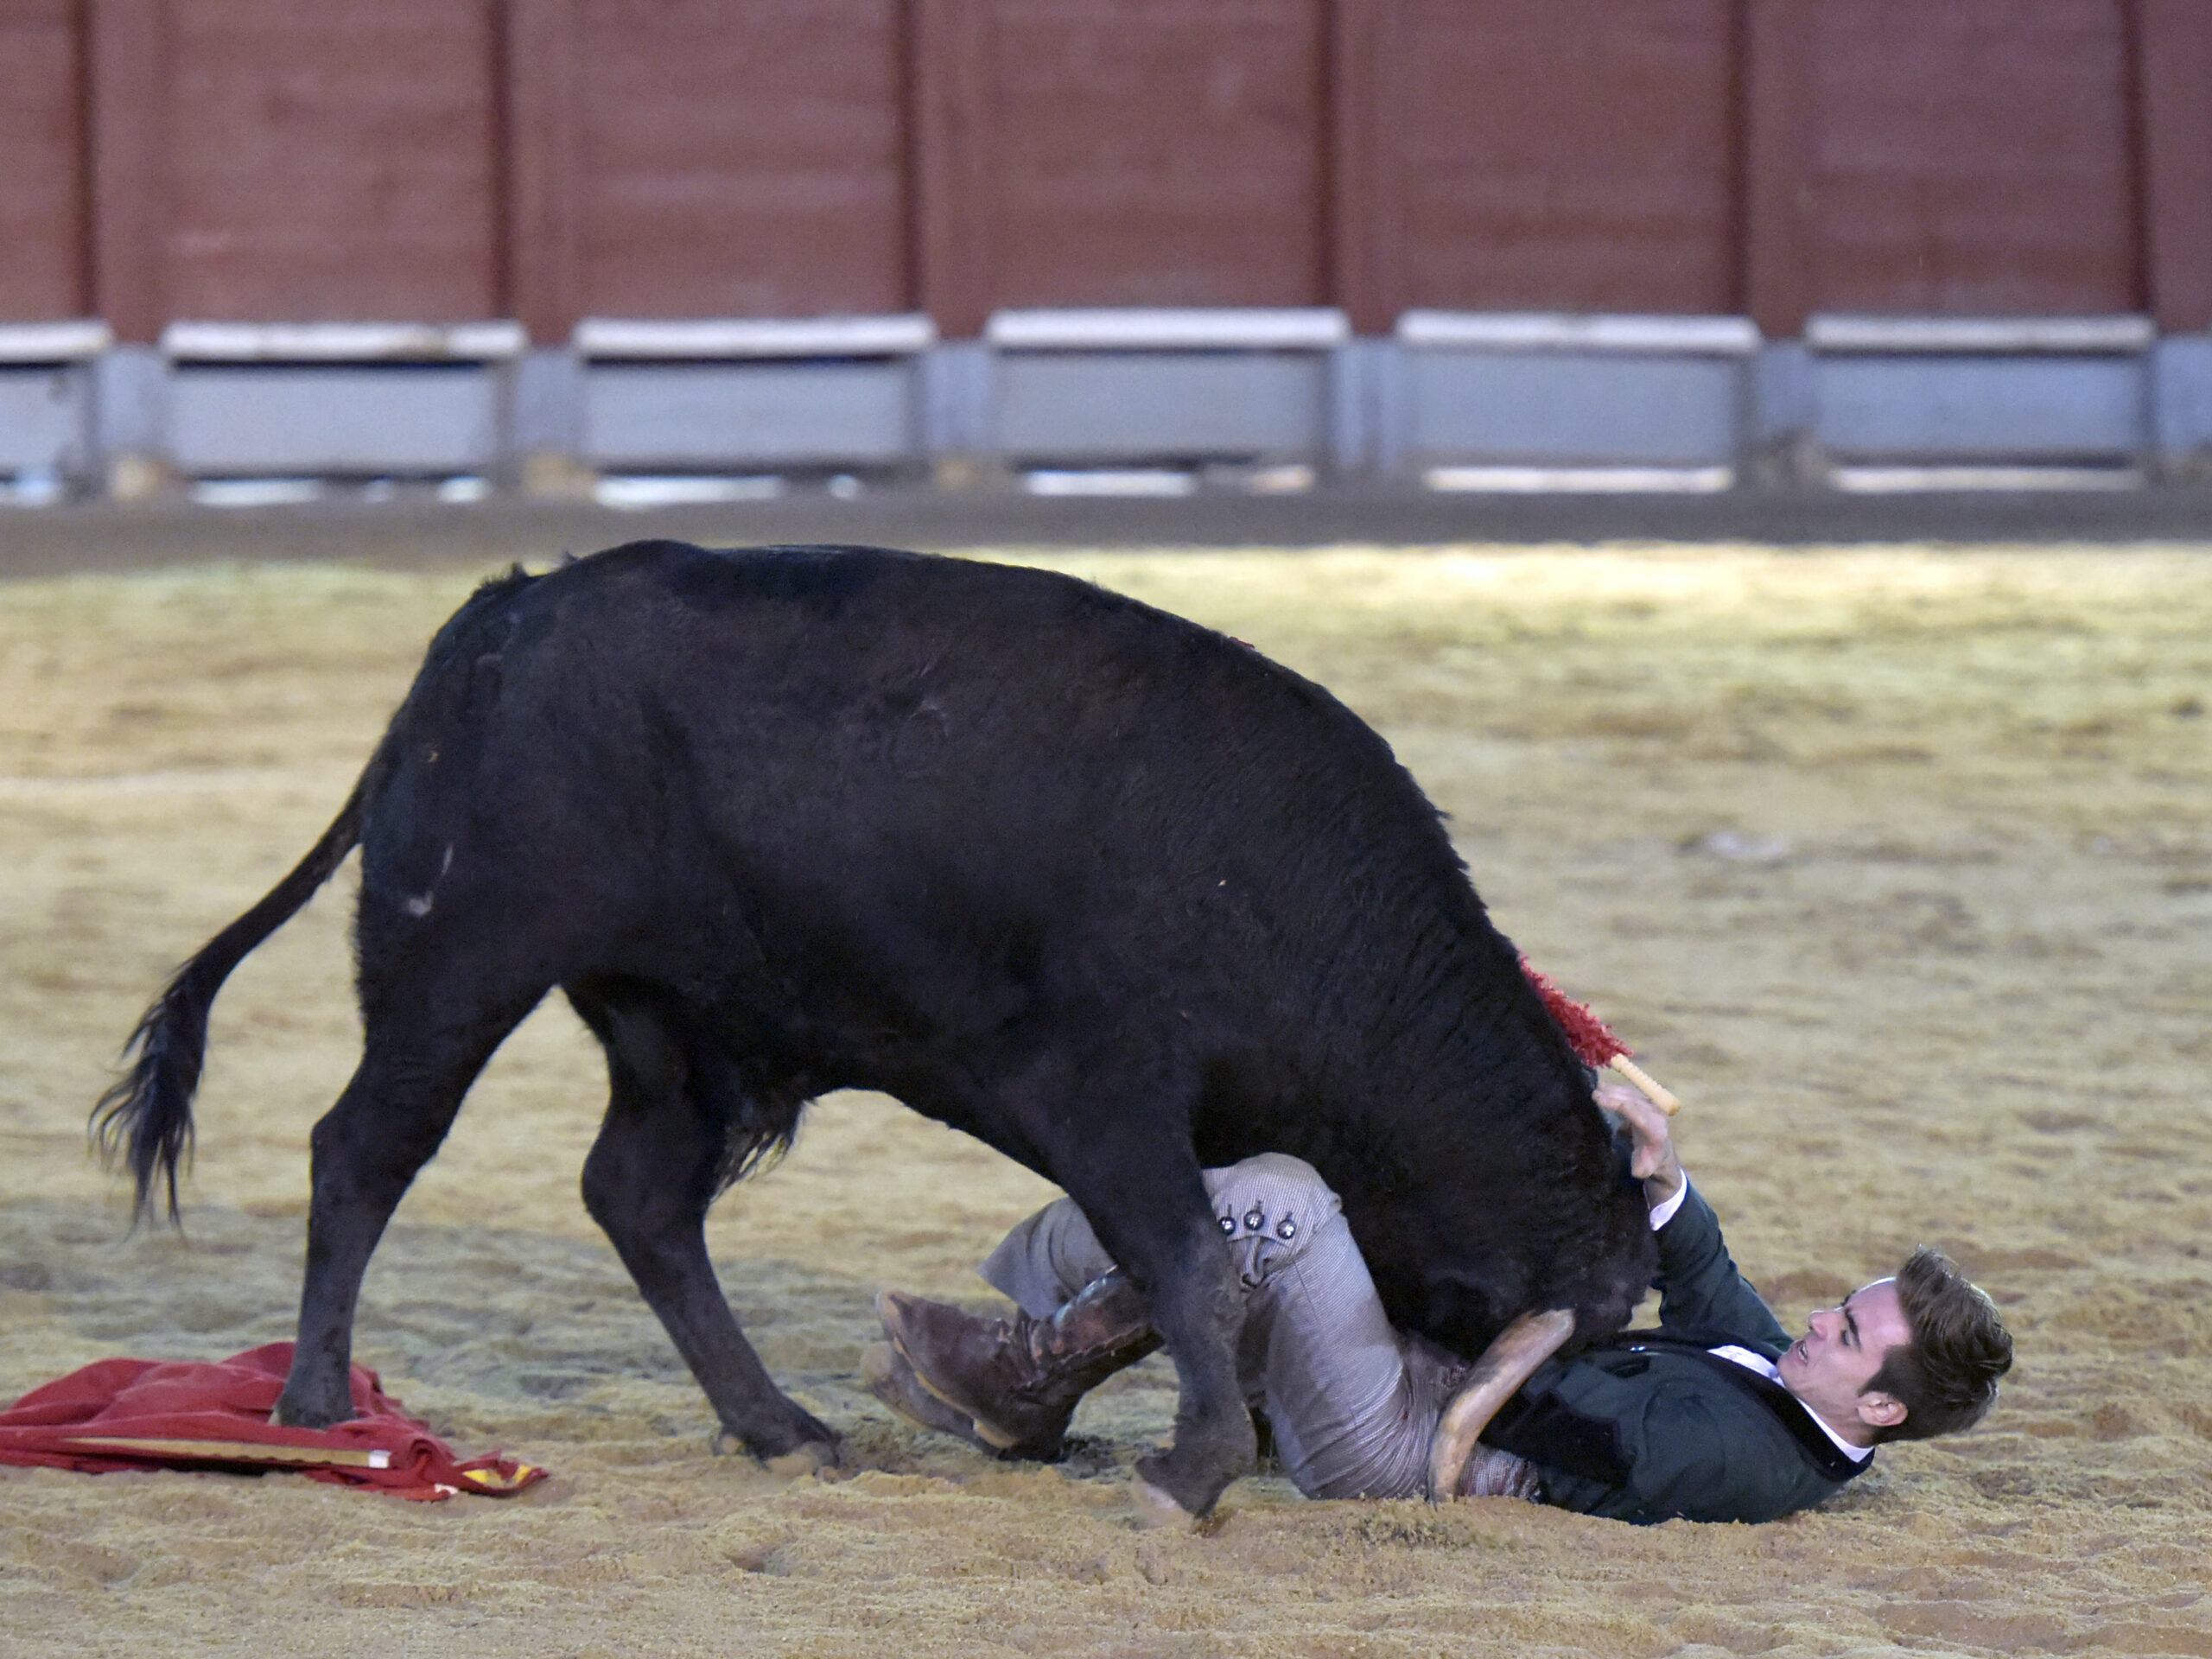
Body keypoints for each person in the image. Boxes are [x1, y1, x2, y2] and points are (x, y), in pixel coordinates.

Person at [866, 1082, 2014, 1524]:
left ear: (1883, 1412)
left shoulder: (1752, 1464)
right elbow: (1711, 1282)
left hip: (1409, 1448)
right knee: (1237, 1200)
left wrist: (1539, 1320)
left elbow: (1578, 1434)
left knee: (1277, 1206)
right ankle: (1031, 1352)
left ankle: (1024, 1372)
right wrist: (1663, 1177)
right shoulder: (1794, 1384)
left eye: (1850, 1333)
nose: (1820, 1320)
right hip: (1422, 1385)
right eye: (1844, 1306)